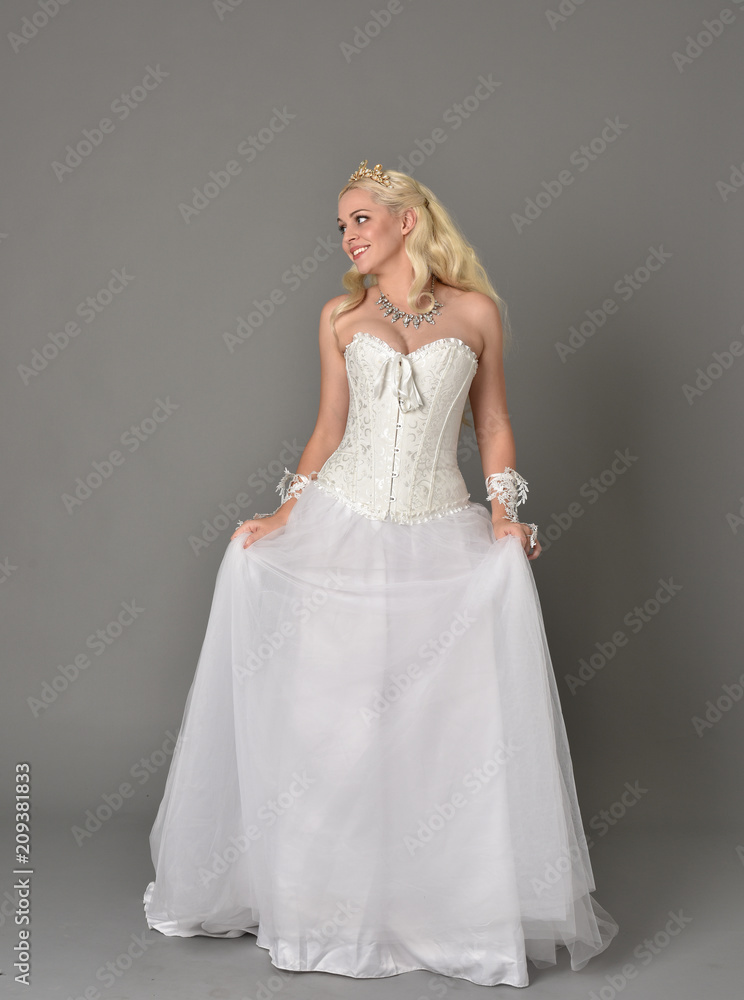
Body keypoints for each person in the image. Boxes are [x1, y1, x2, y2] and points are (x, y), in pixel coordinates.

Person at [143, 159, 619, 987]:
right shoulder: (338, 316)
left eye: (360, 219)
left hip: (441, 530)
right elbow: (329, 430)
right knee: (336, 726)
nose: (348, 236)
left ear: (408, 221)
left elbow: (495, 422)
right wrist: (285, 517)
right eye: (341, 225)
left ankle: (443, 911)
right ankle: (328, 908)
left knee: (443, 729)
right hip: (343, 527)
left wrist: (507, 514)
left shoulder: (477, 314)